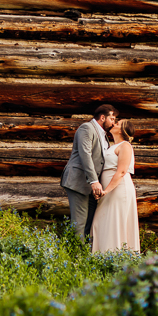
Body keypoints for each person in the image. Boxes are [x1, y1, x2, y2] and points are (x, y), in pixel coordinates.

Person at [60, 104, 118, 244]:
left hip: (93, 187)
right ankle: (75, 259)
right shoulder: (86, 128)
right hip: (79, 181)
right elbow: (85, 154)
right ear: (102, 117)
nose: (114, 123)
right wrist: (94, 181)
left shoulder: (104, 136)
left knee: (89, 222)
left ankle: (84, 255)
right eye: (112, 118)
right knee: (79, 223)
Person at [92, 119, 140, 253]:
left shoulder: (125, 146)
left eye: (117, 124)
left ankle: (116, 255)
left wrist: (106, 191)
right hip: (108, 190)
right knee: (101, 221)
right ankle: (102, 255)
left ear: (122, 130)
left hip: (119, 189)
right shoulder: (111, 146)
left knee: (115, 221)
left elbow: (122, 171)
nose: (114, 124)